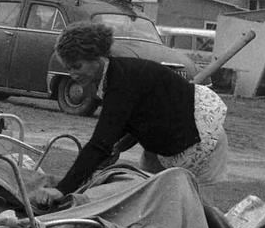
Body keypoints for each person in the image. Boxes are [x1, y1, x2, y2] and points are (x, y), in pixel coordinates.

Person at [30, 22, 229, 209]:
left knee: (198, 209)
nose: (73, 74)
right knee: (152, 199)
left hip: (202, 138)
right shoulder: (114, 76)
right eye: (68, 68)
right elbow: (135, 119)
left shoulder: (122, 82)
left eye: (77, 66)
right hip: (167, 138)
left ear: (97, 58)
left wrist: (62, 189)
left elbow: (100, 143)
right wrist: (118, 147)